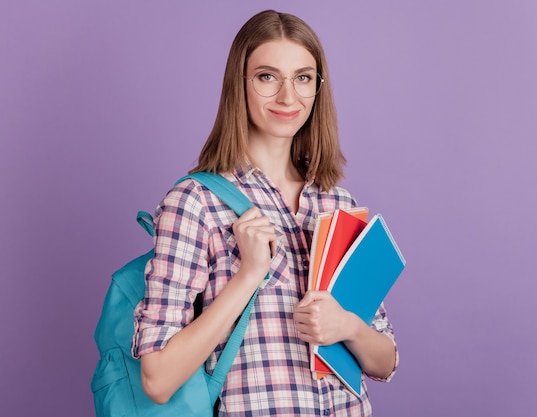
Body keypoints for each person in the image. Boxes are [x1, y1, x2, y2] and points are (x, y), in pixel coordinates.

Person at [132, 9, 398, 416]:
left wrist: (347, 327)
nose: (288, 97)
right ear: (239, 84)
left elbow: (385, 361)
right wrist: (248, 275)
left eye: (303, 78)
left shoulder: (337, 204)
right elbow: (158, 379)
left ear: (317, 88)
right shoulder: (195, 202)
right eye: (267, 77)